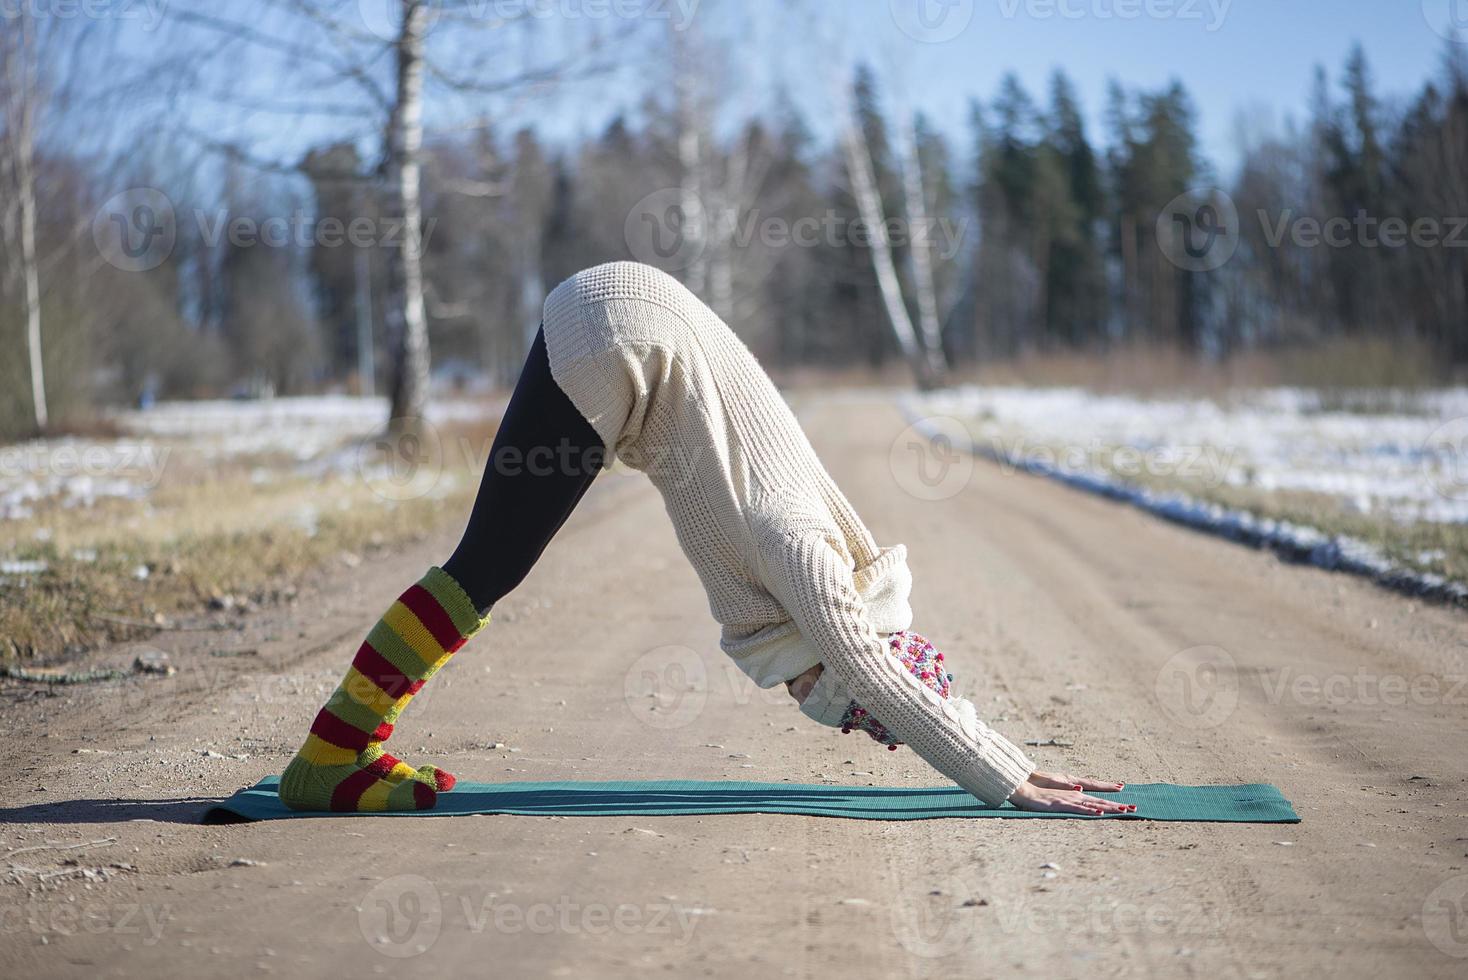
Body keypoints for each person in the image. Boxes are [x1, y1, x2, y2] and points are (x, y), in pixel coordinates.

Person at [279, 262, 1134, 816]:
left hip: (626, 319)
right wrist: (1006, 773)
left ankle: (342, 746)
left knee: (493, 558)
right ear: (826, 648)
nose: (808, 705)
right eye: (825, 700)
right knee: (486, 567)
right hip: (618, 343)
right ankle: (332, 755)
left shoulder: (814, 556)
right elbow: (877, 668)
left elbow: (877, 668)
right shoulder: (807, 558)